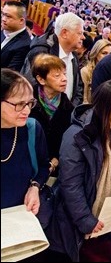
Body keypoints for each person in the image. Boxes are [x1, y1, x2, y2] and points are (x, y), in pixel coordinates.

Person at [45, 79, 111, 262]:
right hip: (69, 216)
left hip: (96, 211)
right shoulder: (78, 135)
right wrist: (85, 219)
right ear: (106, 107)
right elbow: (70, 185)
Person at [1, 68, 48, 215]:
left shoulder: (32, 128)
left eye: (30, 103)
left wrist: (35, 187)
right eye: (20, 104)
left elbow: (43, 166)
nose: (27, 111)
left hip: (22, 214)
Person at [20, 12, 85, 107]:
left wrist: (70, 110)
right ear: (64, 33)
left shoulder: (74, 55)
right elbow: (29, 87)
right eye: (79, 33)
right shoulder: (42, 52)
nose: (83, 37)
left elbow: (78, 87)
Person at [29, 54, 74, 175]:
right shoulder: (27, 102)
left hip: (54, 166)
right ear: (41, 79)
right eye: (57, 76)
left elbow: (67, 141)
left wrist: (56, 159)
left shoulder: (68, 107)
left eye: (64, 74)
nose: (64, 79)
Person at [80, 39, 111, 104]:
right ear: (96, 54)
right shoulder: (85, 71)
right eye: (104, 53)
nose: (108, 57)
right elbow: (84, 100)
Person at [1, 1, 32, 71]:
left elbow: (9, 75)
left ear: (21, 20)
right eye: (3, 14)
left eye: (8, 16)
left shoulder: (25, 45)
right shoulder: (4, 30)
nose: (3, 19)